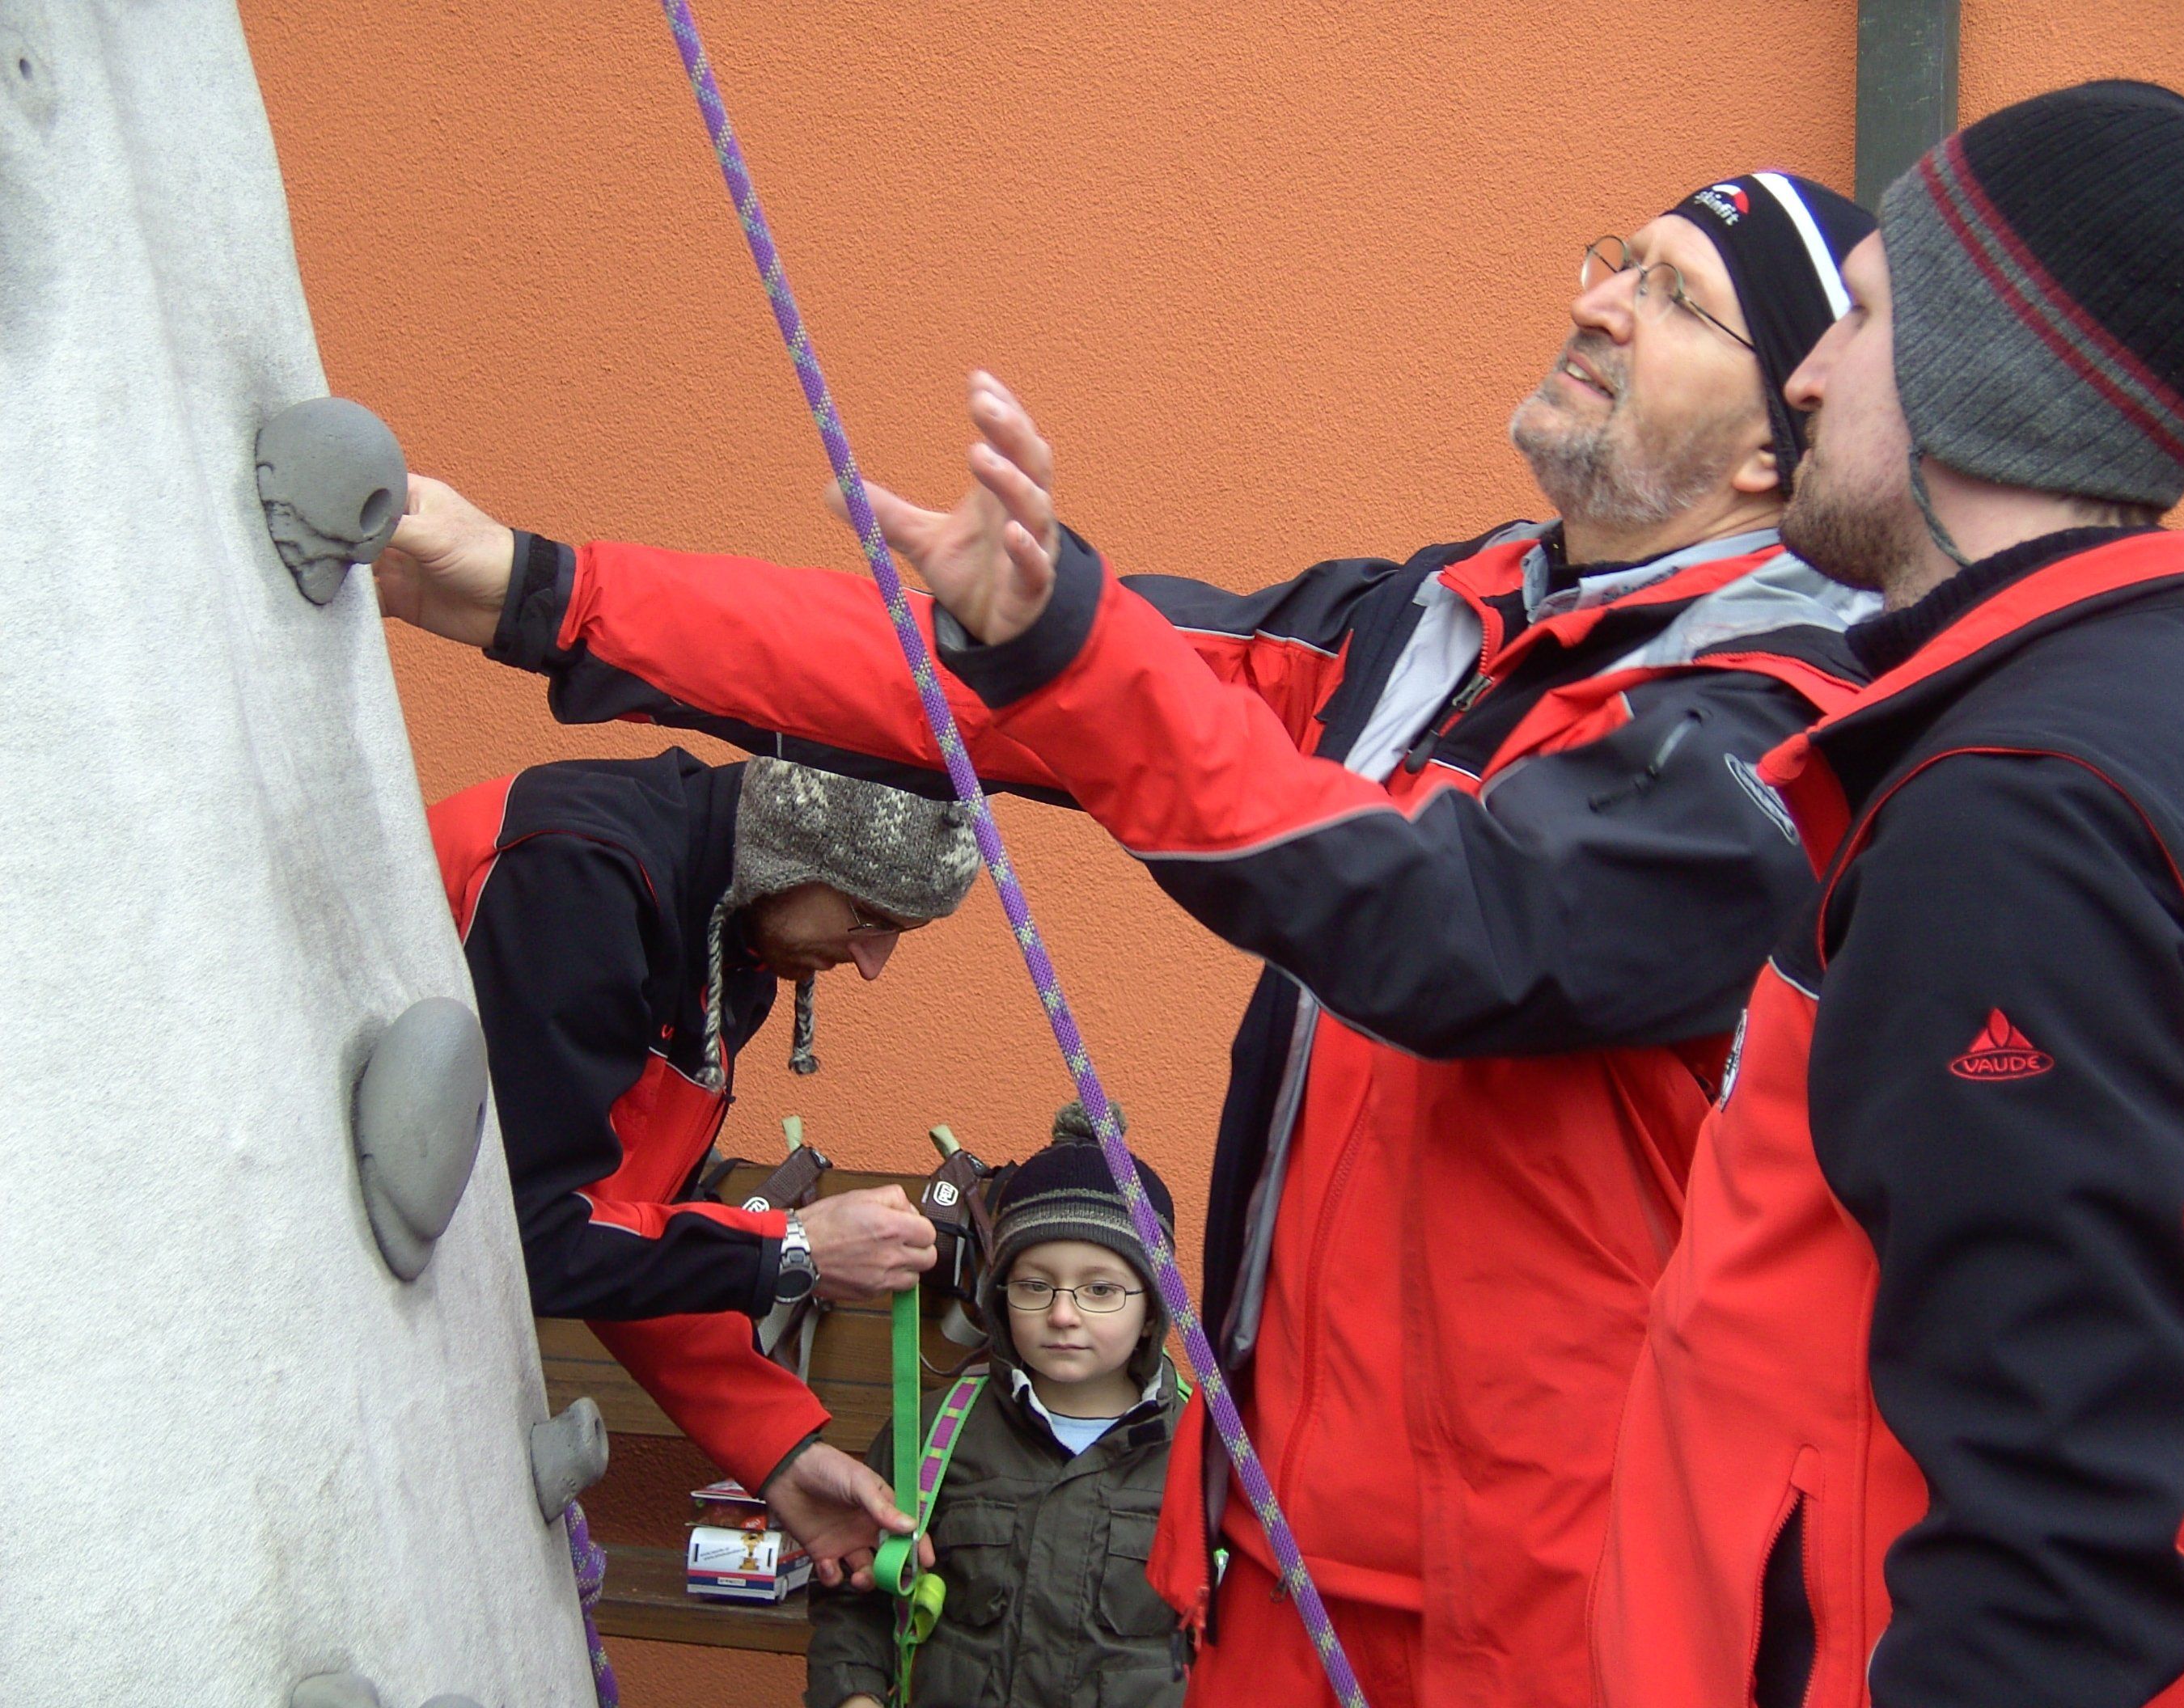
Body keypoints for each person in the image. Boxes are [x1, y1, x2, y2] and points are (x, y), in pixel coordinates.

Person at [378, 169, 1876, 1708]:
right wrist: (544, 591)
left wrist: (1070, 658)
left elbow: (1451, 926)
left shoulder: (1789, 725)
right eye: (1618, 259)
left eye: (1675, 296)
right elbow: (953, 684)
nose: (1598, 300)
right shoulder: (1433, 618)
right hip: (1284, 1555)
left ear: (1779, 436)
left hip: (1562, 1600)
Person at [1585, 82, 2184, 1708]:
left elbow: (2053, 1531)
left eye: (1864, 316)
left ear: (1986, 374)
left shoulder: (2014, 821)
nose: (1807, 374)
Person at [429, 749, 979, 1585]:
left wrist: (782, 1451)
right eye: (870, 918)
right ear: (792, 850)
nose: (871, 965)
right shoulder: (578, 874)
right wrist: (790, 1248)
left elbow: (621, 1227)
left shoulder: (732, 939)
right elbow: (525, 1234)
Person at [802, 1106, 1187, 1708]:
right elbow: (855, 1602)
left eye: (1101, 1290)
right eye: (1034, 1285)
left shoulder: (1209, 1453)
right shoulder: (931, 1436)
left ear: (1151, 1311)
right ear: (1000, 1297)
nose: (1063, 1314)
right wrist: (855, 1696)